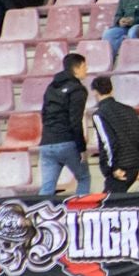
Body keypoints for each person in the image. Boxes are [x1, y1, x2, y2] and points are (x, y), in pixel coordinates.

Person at [37, 53, 90, 197]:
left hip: (46, 143)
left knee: (47, 187)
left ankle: (40, 215)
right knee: (84, 178)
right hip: (66, 141)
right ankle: (80, 213)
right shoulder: (78, 90)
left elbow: (44, 114)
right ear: (77, 68)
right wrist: (82, 148)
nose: (87, 70)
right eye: (85, 66)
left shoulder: (51, 87)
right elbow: (75, 121)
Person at [88, 76, 139, 195]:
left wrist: (113, 167)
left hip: (120, 167)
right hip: (135, 163)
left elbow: (109, 142)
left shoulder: (99, 114)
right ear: (112, 90)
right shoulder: (129, 110)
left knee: (108, 203)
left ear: (94, 92)